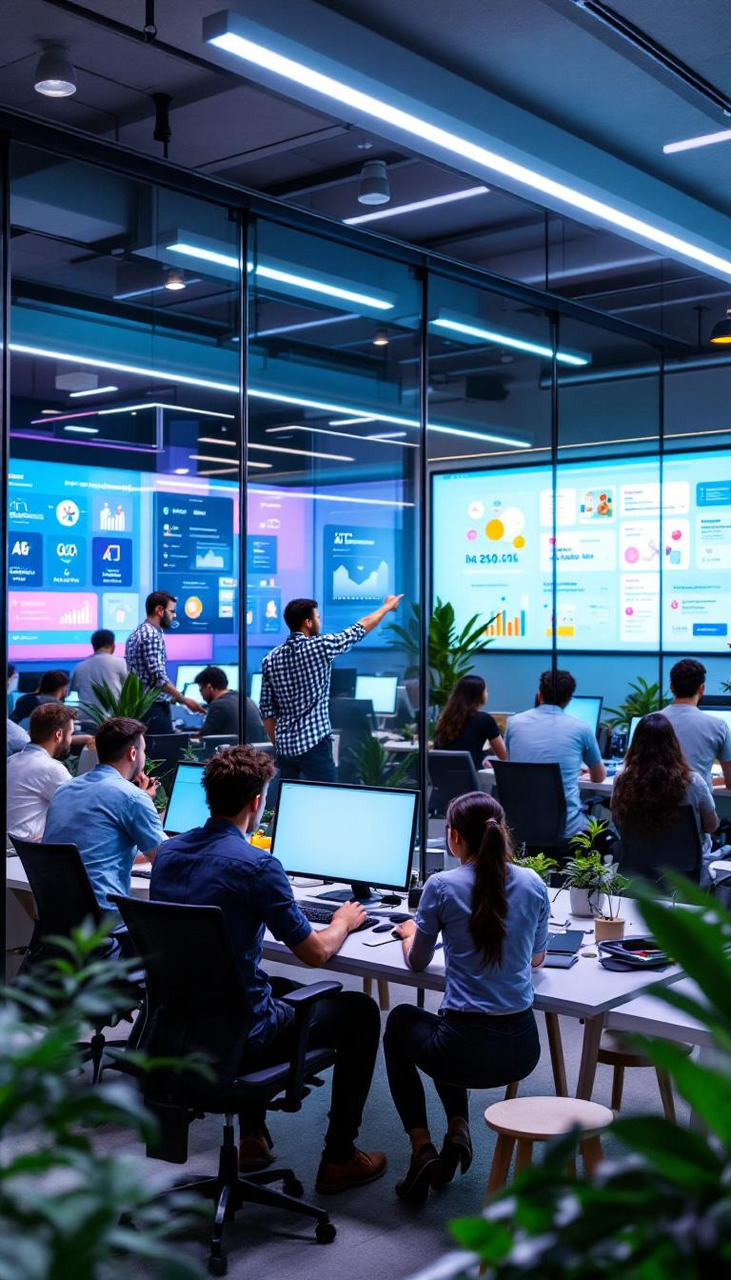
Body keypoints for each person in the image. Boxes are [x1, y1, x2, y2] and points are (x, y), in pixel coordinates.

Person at [150, 744, 386, 1194]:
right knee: (359, 1011)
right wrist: (342, 921)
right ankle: (339, 1158)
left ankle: (253, 1138)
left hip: (179, 1029)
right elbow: (316, 953)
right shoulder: (259, 866)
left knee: (272, 982)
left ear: (209, 795)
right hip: (243, 1036)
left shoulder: (168, 853)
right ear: (257, 801)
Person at [383, 791, 548, 1204]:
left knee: (403, 1022)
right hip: (522, 1050)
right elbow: (537, 957)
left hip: (464, 1051)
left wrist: (407, 934)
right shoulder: (533, 882)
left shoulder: (441, 886)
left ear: (453, 837)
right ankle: (458, 1128)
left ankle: (421, 1147)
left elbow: (418, 963)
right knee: (444, 1025)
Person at [260, 594, 403, 783]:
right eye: (317, 617)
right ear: (308, 623)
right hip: (314, 745)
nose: (320, 621)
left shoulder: (270, 659)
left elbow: (267, 712)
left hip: (285, 749)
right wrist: (385, 608)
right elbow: (359, 629)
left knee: (288, 801)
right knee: (327, 797)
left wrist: (278, 744)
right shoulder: (321, 646)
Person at [44, 717, 165, 913]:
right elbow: (164, 860)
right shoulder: (133, 798)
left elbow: (92, 846)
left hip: (56, 917)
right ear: (133, 754)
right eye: (143, 750)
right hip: (103, 920)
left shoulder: (64, 790)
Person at [612, 712, 719, 883]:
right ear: (673, 744)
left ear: (635, 744)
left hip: (638, 869)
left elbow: (618, 821)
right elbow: (711, 826)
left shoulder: (622, 780)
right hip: (685, 872)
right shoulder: (693, 782)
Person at [505, 669, 606, 839]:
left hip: (519, 826)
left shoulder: (513, 723)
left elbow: (513, 763)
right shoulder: (581, 728)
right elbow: (599, 777)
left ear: (539, 694)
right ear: (568, 700)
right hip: (567, 829)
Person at [125, 591, 203, 734]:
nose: (174, 615)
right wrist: (184, 700)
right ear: (159, 610)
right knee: (163, 754)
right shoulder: (151, 635)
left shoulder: (136, 633)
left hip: (139, 707)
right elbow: (158, 677)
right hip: (152, 708)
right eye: (171, 611)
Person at [659, 658, 731, 792]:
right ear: (702, 688)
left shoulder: (649, 721)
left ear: (671, 686)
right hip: (698, 810)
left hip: (655, 808)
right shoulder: (719, 726)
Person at [6, 703, 76, 842]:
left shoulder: (11, 761)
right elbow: (79, 808)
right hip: (24, 852)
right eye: (71, 734)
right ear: (58, 735)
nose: (71, 739)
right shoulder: (51, 769)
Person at [434, 675, 507, 770]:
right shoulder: (485, 719)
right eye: (486, 690)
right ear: (479, 695)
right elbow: (503, 755)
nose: (487, 694)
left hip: (441, 779)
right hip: (470, 780)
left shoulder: (444, 719)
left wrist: (482, 759)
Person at [194, 665, 266, 742]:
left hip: (238, 752)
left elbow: (203, 739)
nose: (201, 694)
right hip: (255, 751)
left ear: (209, 687)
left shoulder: (218, 705)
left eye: (201, 689)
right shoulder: (244, 699)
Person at [69, 629, 127, 709]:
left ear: (93, 647)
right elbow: (127, 689)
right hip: (112, 719)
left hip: (85, 717)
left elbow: (73, 690)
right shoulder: (120, 663)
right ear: (113, 646)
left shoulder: (80, 667)